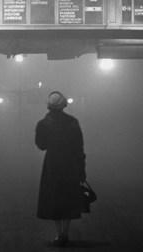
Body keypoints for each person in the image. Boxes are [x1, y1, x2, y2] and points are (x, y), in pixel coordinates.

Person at [34, 91, 86, 247]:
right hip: (70, 163)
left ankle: (59, 234)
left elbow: (41, 145)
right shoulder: (73, 122)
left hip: (53, 164)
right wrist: (82, 168)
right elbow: (79, 146)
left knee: (54, 197)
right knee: (68, 196)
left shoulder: (43, 124)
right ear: (64, 105)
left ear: (49, 106)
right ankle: (66, 232)